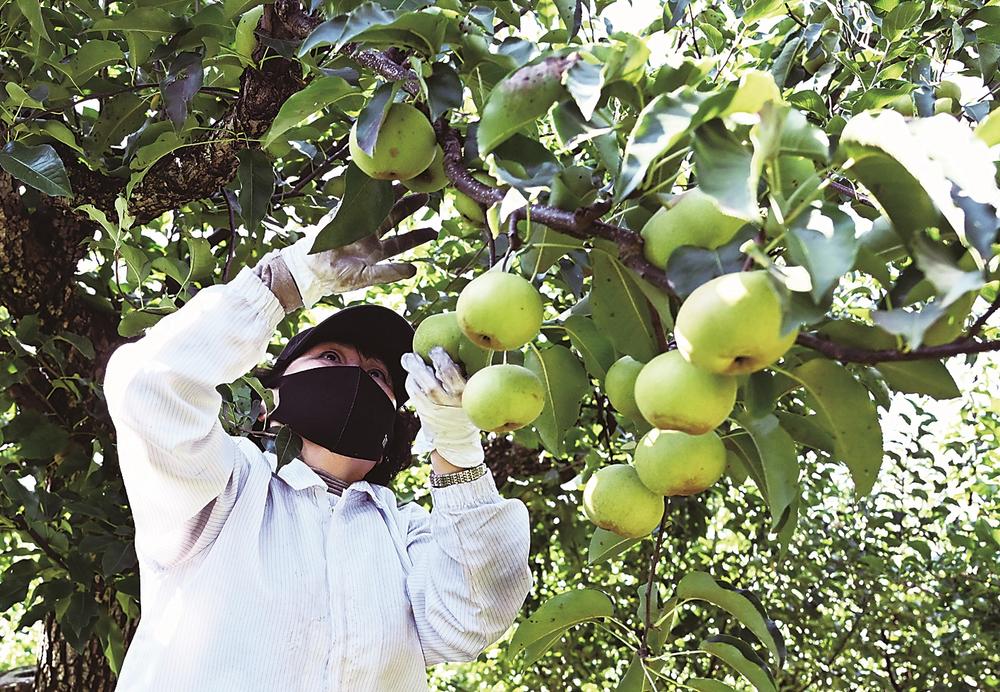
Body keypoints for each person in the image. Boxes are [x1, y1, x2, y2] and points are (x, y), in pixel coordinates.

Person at [102, 223, 534, 691]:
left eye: (377, 374)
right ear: (269, 402)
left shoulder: (407, 533)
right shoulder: (225, 487)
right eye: (330, 358)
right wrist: (289, 279)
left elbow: (472, 615)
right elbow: (148, 387)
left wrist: (455, 444)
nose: (357, 377)